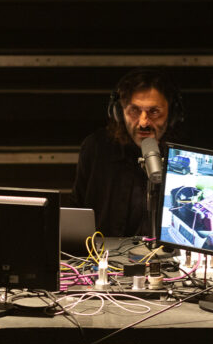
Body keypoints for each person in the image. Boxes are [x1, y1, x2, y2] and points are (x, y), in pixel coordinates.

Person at [71, 68, 183, 237]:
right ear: (119, 112)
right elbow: (75, 211)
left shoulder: (185, 157)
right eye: (134, 111)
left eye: (154, 112)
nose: (144, 122)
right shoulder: (96, 148)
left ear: (172, 114)